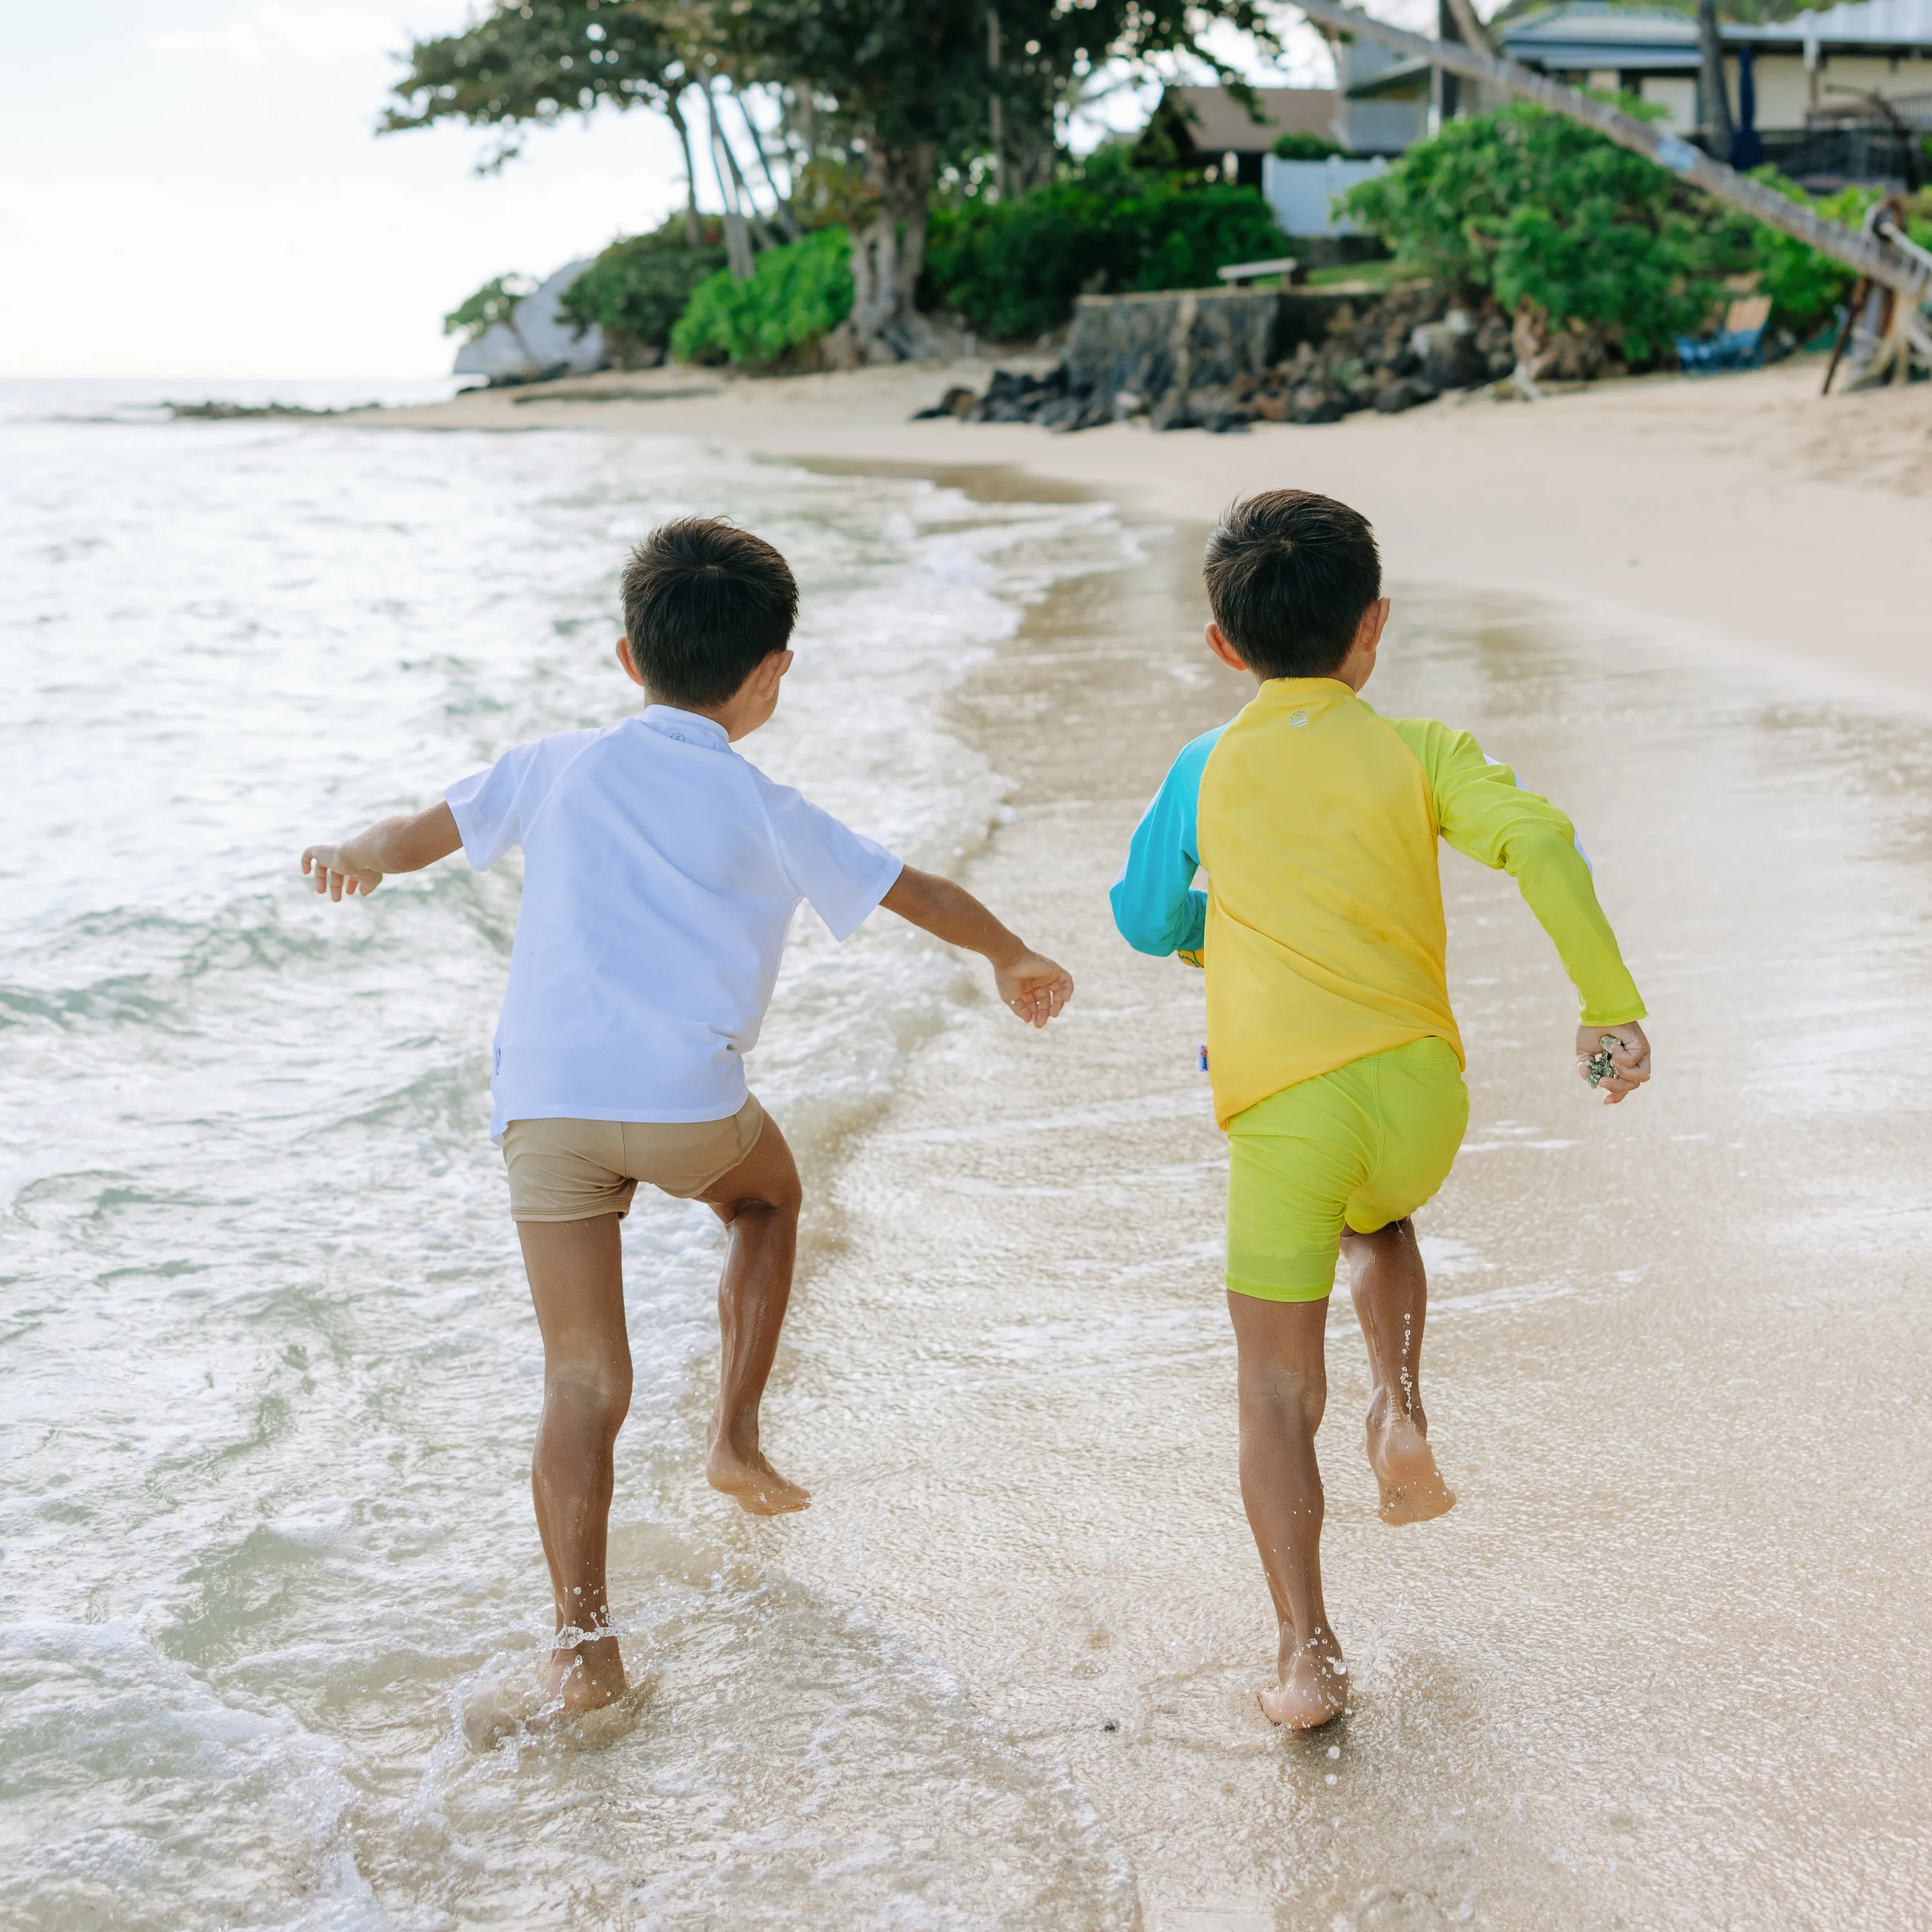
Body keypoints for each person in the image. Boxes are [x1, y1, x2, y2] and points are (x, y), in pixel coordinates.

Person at [300, 517, 1074, 1714]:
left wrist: (356, 852)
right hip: (684, 1109)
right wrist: (1010, 955)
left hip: (545, 1113)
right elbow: (911, 890)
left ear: (626, 657)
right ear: (771, 675)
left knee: (582, 1378)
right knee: (768, 1198)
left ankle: (583, 1649)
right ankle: (735, 1438)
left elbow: (419, 833)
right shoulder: (767, 806)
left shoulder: (550, 765)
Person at [1110, 489, 1650, 1730]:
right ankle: (1401, 1405)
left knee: (1270, 1391)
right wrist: (1606, 1006)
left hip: (1286, 1116)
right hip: (1421, 1104)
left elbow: (1144, 920)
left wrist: (1216, 938)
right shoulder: (1424, 750)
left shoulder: (1203, 767)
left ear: (1222, 643)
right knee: (1384, 1222)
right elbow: (1545, 846)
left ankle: (1307, 1658)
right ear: (1374, 629)